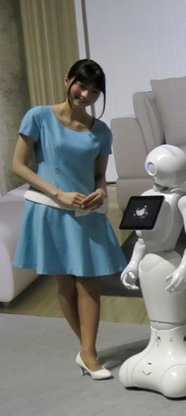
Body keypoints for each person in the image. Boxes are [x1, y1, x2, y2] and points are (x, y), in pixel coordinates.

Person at [12, 58, 127, 380]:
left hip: (86, 211)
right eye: (81, 85)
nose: (85, 95)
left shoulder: (101, 131)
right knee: (65, 282)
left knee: (88, 281)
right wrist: (57, 193)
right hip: (49, 209)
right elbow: (18, 165)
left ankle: (87, 352)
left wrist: (102, 192)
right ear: (68, 80)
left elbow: (100, 175)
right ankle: (88, 351)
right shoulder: (38, 116)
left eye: (94, 91)